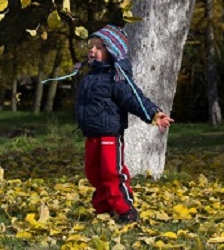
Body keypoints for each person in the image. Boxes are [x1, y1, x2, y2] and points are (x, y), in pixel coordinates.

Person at [74, 23, 174, 224]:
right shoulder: (89, 77)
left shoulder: (116, 78)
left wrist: (153, 114)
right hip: (91, 135)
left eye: (99, 47)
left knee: (112, 173)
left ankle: (125, 209)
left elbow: (133, 98)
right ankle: (104, 208)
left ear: (112, 51)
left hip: (109, 134)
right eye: (91, 46)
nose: (92, 51)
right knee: (94, 173)